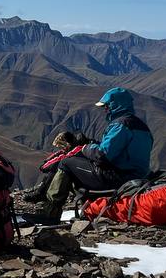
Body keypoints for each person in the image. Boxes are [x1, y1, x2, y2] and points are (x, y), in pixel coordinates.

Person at [39, 88, 153, 220]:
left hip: (118, 177)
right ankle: (90, 207)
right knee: (81, 164)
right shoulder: (140, 126)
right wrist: (92, 144)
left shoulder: (120, 125)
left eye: (106, 106)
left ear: (114, 105)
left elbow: (102, 155)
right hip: (137, 177)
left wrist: (85, 148)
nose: (105, 110)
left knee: (66, 163)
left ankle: (50, 213)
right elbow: (116, 150)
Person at [20, 130, 87, 203]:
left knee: (57, 168)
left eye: (63, 146)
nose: (62, 149)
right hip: (84, 178)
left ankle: (41, 194)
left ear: (67, 144)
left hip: (81, 183)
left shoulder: (74, 151)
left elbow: (45, 167)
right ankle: (41, 190)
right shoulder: (79, 147)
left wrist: (45, 164)